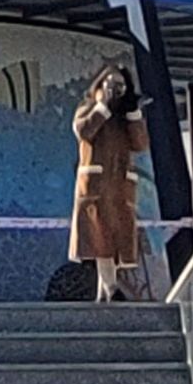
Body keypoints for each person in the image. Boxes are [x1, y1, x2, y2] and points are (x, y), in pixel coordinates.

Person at [69, 63, 149, 303]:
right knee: (99, 236)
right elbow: (84, 131)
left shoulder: (125, 120)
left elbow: (140, 144)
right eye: (112, 85)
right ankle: (112, 288)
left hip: (120, 188)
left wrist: (133, 111)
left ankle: (105, 293)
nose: (117, 91)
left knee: (116, 238)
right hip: (96, 188)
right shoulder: (87, 109)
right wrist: (103, 106)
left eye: (120, 86)